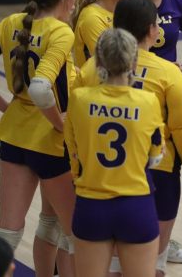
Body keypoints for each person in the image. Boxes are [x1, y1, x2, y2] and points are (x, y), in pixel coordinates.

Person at [72, 0, 182, 276]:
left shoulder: (88, 71)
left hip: (97, 179)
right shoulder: (169, 73)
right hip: (154, 178)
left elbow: (73, 136)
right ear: (153, 31)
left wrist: (78, 175)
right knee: (152, 266)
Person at [64, 28, 164, 277]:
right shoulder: (148, 100)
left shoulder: (79, 98)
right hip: (136, 206)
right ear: (135, 61)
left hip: (91, 204)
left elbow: (72, 148)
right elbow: (155, 157)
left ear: (98, 60)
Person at [0, 0, 79, 274]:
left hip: (14, 135)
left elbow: (33, 89)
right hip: (52, 142)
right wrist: (60, 124)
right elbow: (42, 88)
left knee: (8, 232)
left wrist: (9, 107)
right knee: (72, 233)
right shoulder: (61, 31)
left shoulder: (9, 23)